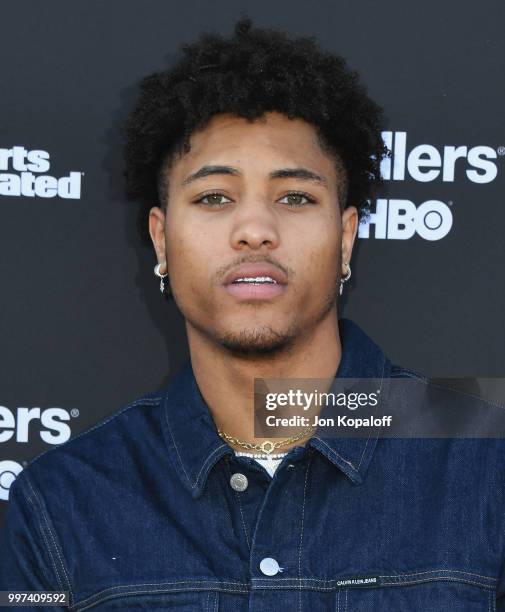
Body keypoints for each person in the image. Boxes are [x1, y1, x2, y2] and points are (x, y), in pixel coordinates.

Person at [1, 16, 505, 611]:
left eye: (295, 197)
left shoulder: (487, 467)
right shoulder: (60, 504)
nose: (255, 231)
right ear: (161, 241)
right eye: (214, 197)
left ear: (346, 239)